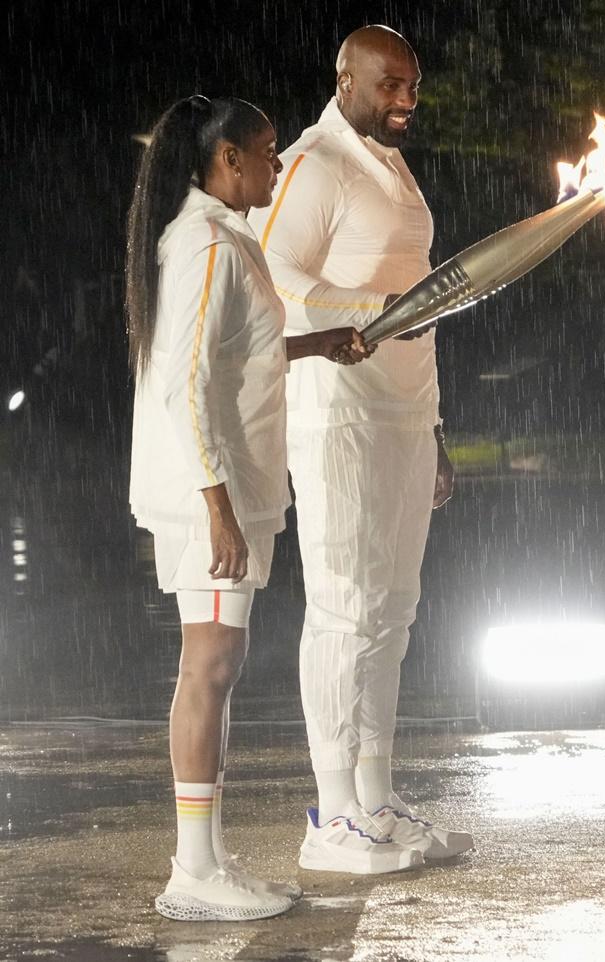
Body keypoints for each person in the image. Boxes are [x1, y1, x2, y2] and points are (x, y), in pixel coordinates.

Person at [127, 94, 372, 920]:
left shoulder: (226, 238)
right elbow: (183, 384)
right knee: (209, 666)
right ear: (227, 159)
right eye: (267, 152)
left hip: (232, 486)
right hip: (211, 495)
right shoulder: (201, 243)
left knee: (220, 668)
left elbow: (243, 353)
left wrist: (319, 343)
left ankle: (207, 859)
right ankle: (192, 871)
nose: (277, 166)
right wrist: (217, 506)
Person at [248, 25, 472, 874]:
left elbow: (423, 310)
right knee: (344, 608)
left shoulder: (394, 166)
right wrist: (373, 307)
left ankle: (376, 800)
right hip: (336, 414)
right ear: (344, 77)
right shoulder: (313, 162)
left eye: (413, 86)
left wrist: (438, 429)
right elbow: (275, 283)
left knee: (393, 610)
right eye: (389, 87)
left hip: (405, 419)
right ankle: (330, 815)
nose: (405, 101)